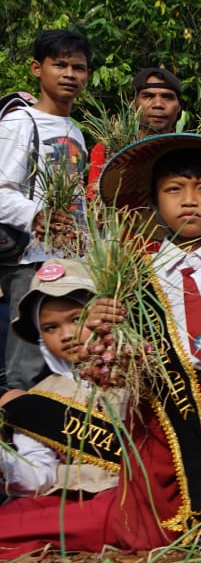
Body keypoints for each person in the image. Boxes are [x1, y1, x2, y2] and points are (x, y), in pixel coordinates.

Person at [0, 135, 201, 556]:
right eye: (174, 190)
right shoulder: (137, 273)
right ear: (155, 200)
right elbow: (117, 352)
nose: (189, 201)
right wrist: (102, 324)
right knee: (151, 527)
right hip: (158, 412)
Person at [1, 29, 91, 392]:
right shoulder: (19, 123)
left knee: (66, 357)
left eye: (79, 67)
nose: (70, 74)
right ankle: (16, 436)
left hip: (69, 258)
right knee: (26, 360)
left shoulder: (76, 129)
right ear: (38, 69)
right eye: (60, 65)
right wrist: (41, 217)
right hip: (30, 259)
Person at [0, 260, 124, 499]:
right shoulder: (40, 399)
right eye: (50, 328)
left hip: (135, 496)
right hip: (71, 501)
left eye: (77, 319)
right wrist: (7, 466)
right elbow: (39, 475)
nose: (67, 335)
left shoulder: (139, 374)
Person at [86, 67, 184, 189]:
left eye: (167, 97)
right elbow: (95, 201)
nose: (158, 104)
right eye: (148, 96)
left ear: (179, 106)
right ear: (132, 104)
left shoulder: (191, 150)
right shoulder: (107, 149)